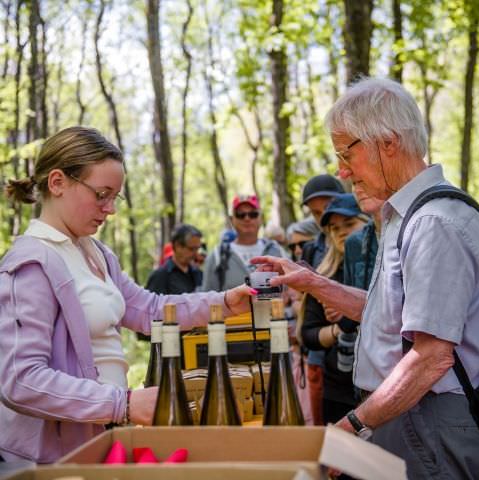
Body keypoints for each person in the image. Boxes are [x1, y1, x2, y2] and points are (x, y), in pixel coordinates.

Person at [252, 77, 479, 479]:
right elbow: (391, 317)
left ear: (387, 142)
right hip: (406, 413)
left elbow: (431, 357)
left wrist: (354, 425)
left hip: (428, 419)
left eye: (346, 153)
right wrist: (314, 283)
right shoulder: (405, 216)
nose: (342, 170)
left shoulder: (433, 223)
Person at [0, 126, 252, 464]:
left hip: (95, 439)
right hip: (48, 459)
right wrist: (125, 403)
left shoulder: (96, 253)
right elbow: (21, 380)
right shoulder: (31, 263)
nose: (110, 209)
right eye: (101, 194)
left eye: (114, 197)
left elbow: (150, 309)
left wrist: (224, 303)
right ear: (57, 182)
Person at [300, 194, 368, 424]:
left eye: (349, 224)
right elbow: (308, 335)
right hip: (338, 389)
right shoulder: (324, 275)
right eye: (333, 228)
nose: (341, 232)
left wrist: (354, 310)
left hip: (381, 386)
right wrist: (340, 328)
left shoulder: (386, 265)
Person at [299, 174, 344, 426]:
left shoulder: (355, 239)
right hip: (318, 336)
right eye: (315, 213)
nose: (322, 218)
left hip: (349, 342)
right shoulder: (311, 248)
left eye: (327, 208)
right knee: (317, 388)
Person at [202, 194, 283, 291]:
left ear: (260, 218)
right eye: (240, 215)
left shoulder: (276, 250)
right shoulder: (217, 256)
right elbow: (208, 297)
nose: (247, 218)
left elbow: (291, 290)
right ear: (232, 220)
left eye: (253, 214)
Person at [146, 224, 203, 295]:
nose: (196, 253)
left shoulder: (198, 273)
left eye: (197, 249)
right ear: (177, 246)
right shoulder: (160, 277)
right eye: (191, 249)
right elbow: (151, 305)